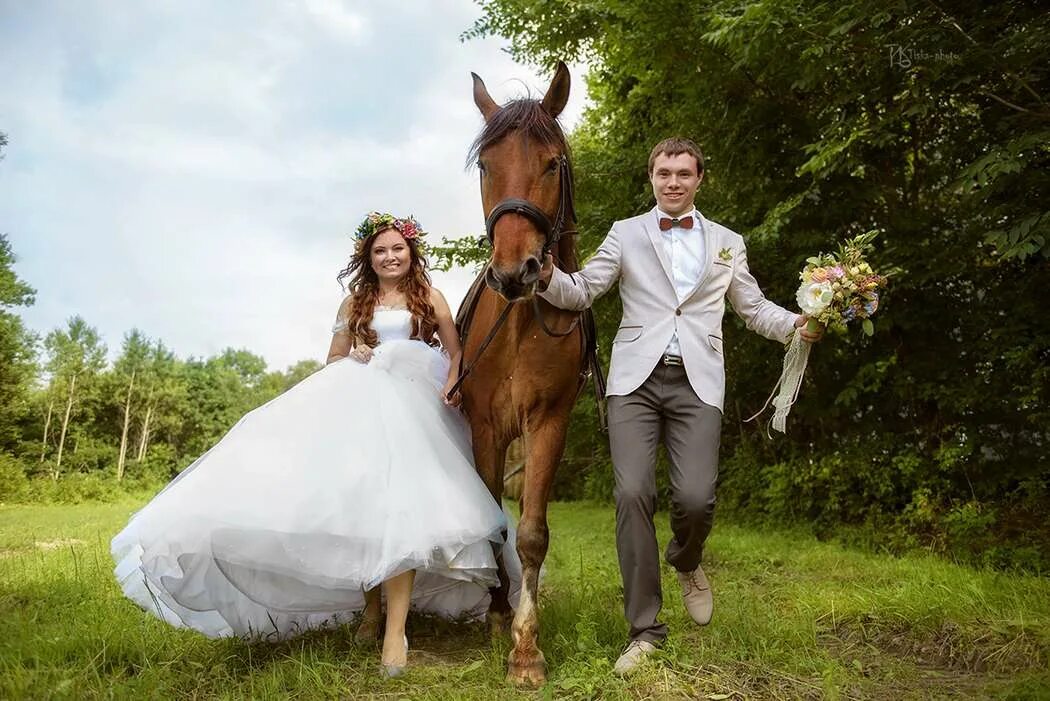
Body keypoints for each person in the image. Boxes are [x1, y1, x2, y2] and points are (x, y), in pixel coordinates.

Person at [112, 212, 517, 678]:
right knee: (365, 509)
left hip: (417, 405)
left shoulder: (430, 296)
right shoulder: (353, 302)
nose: (389, 257)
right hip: (364, 401)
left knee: (401, 511)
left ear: (411, 252)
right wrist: (358, 354)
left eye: (397, 249)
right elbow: (333, 359)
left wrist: (450, 384)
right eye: (380, 251)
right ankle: (371, 609)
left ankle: (395, 630)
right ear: (368, 257)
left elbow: (456, 350)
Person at [537, 138, 823, 674]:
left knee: (695, 497)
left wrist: (797, 326)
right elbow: (583, 291)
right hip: (635, 382)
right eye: (664, 173)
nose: (673, 182)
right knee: (632, 493)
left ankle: (687, 560)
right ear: (651, 177)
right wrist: (544, 273)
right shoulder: (626, 233)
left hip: (699, 380)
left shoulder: (727, 243)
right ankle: (645, 629)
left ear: (699, 180)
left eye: (683, 173)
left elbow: (753, 308)